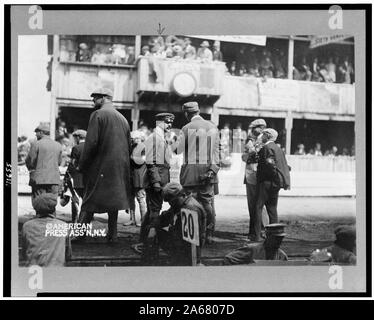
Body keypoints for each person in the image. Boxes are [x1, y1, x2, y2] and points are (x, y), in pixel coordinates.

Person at [78, 88, 132, 243]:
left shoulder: (97, 115)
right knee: (113, 204)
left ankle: (80, 234)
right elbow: (128, 146)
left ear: (103, 98)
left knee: (89, 201)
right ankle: (113, 236)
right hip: (119, 169)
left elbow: (91, 144)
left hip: (100, 167)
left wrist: (82, 165)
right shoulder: (123, 119)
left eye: (95, 98)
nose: (93, 101)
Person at [175, 101, 220, 244]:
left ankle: (192, 236)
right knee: (208, 204)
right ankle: (209, 235)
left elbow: (178, 150)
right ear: (199, 111)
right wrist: (212, 170)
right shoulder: (213, 127)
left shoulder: (186, 127)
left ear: (187, 114)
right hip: (208, 172)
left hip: (190, 173)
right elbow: (217, 152)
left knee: (190, 203)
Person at [140, 113, 175, 263]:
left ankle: (144, 238)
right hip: (156, 181)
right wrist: (155, 182)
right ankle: (150, 243)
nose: (169, 125)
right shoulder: (153, 138)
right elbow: (150, 162)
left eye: (171, 123)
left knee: (152, 209)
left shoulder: (161, 138)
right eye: (167, 122)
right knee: (155, 210)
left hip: (160, 180)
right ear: (159, 122)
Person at [147, 182, 207, 266]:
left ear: (182, 195)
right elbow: (163, 217)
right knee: (154, 231)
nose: (170, 204)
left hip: (187, 249)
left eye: (172, 201)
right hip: (180, 242)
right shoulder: (180, 203)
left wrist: (195, 262)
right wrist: (153, 227)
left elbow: (191, 242)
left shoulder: (190, 208)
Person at [254, 128, 290, 241]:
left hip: (266, 182)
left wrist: (267, 177)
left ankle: (256, 236)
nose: (261, 136)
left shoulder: (267, 147)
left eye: (263, 134)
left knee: (258, 207)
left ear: (268, 136)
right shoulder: (278, 148)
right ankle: (274, 235)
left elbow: (270, 165)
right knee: (272, 209)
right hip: (276, 183)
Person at [21, 193, 71, 267]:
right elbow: (68, 255)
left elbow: (24, 254)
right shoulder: (63, 226)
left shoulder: (27, 226)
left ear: (36, 209)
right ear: (54, 209)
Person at [242, 119, 266, 241]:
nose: (260, 130)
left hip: (259, 175)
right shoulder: (250, 140)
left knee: (258, 205)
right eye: (258, 128)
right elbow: (243, 157)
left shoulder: (263, 141)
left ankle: (260, 230)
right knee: (252, 205)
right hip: (250, 175)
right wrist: (249, 155)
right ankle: (255, 230)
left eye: (261, 128)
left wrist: (254, 152)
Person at [25, 123, 62, 199]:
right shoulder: (58, 145)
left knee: (39, 200)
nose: (35, 135)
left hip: (39, 179)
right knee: (52, 201)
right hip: (54, 178)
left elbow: (30, 161)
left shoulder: (36, 144)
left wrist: (31, 168)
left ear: (41, 132)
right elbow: (59, 162)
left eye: (36, 133)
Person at [224, 224, 288, 265]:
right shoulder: (252, 249)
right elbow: (228, 259)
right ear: (267, 236)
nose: (279, 241)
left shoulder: (282, 256)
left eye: (281, 239)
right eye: (276, 238)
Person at [124, 130, 147, 227]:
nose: (133, 140)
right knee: (130, 199)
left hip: (140, 177)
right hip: (132, 176)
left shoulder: (144, 147)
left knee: (140, 199)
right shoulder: (133, 147)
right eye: (132, 139)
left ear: (140, 138)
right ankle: (132, 219)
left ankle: (143, 220)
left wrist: (132, 157)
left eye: (135, 138)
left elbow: (141, 161)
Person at [65, 129, 86, 223]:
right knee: (86, 200)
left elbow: (73, 163)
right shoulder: (91, 147)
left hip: (77, 179)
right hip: (89, 180)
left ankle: (75, 220)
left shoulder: (76, 148)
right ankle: (85, 220)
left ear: (78, 137)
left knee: (75, 199)